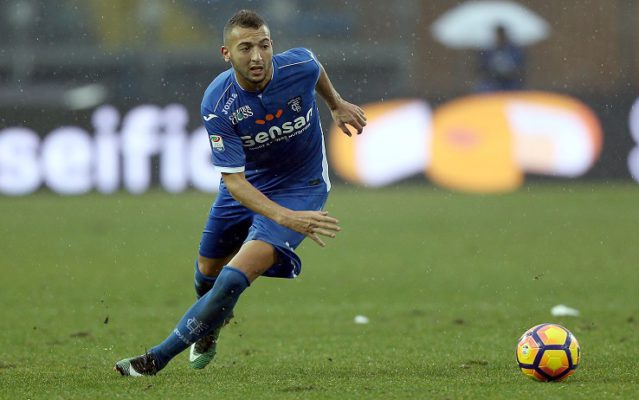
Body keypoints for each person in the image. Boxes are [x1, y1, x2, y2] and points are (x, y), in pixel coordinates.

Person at [114, 9, 366, 376]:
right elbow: (233, 182)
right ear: (226, 53)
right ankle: (210, 328)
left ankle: (156, 359)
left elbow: (315, 67)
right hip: (248, 185)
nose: (258, 57)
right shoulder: (218, 104)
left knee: (233, 277)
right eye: (245, 48)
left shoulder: (298, 66)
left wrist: (336, 103)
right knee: (207, 273)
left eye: (264, 45)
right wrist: (283, 217)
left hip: (301, 188)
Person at [476, 25, 525, 92]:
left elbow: (521, 65)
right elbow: (482, 67)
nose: (500, 37)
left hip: (511, 82)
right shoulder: (489, 51)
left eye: (501, 35)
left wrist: (510, 69)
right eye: (498, 35)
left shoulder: (514, 50)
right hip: (493, 82)